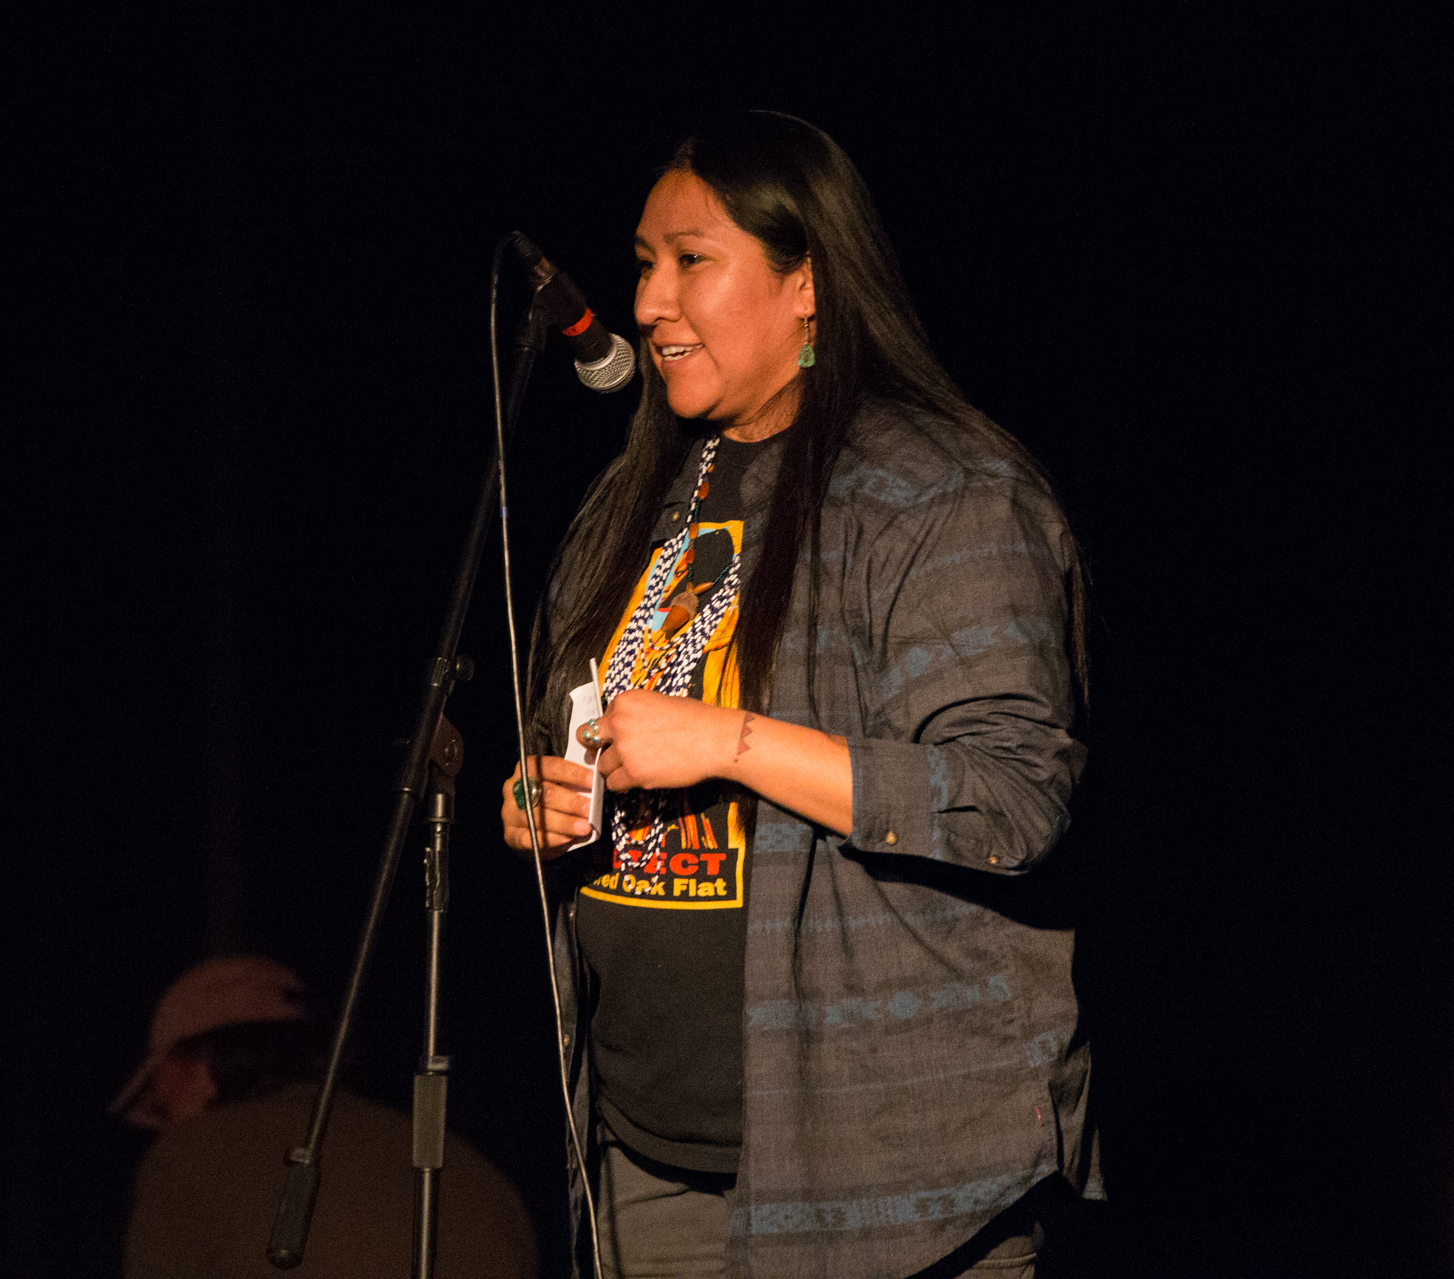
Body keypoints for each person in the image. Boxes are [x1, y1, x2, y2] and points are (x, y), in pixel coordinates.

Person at [500, 111, 1098, 1279]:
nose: (648, 303)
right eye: (642, 263)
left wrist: (730, 742)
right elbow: (567, 732)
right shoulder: (634, 501)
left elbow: (1009, 798)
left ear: (805, 283)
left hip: (884, 1177)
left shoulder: (936, 491)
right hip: (646, 1158)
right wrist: (540, 798)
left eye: (690, 260)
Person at [118, 955, 538, 1278]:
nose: (164, 1122)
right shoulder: (469, 1167)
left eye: (160, 1101)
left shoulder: (186, 1158)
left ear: (196, 1066)